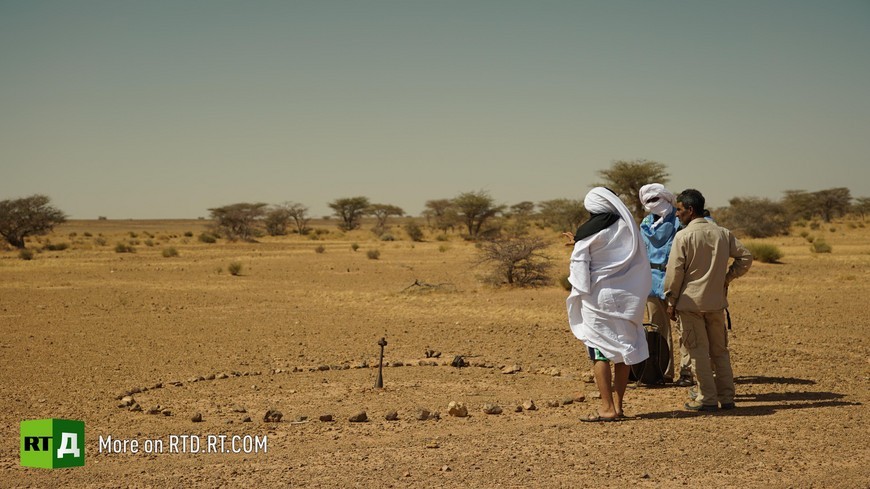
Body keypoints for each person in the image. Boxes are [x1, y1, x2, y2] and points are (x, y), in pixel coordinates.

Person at [564, 187, 652, 422]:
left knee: (599, 350)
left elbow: (580, 270)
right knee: (624, 349)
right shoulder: (628, 228)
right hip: (628, 297)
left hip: (599, 298)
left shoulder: (588, 232)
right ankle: (619, 406)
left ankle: (606, 408)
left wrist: (579, 288)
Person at [664, 189, 752, 411]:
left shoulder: (683, 236)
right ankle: (727, 397)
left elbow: (675, 273)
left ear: (690, 210)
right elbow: (745, 257)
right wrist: (726, 279)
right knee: (720, 351)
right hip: (716, 303)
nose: (677, 214)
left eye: (679, 210)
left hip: (690, 305)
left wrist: (671, 300)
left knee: (698, 353)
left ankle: (707, 398)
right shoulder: (723, 233)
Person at [638, 183, 694, 386]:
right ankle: (663, 371)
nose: (653, 204)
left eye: (656, 199)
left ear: (666, 198)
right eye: (648, 201)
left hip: (676, 281)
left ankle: (687, 372)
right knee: (658, 329)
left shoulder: (681, 222)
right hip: (651, 282)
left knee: (684, 328)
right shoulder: (645, 223)